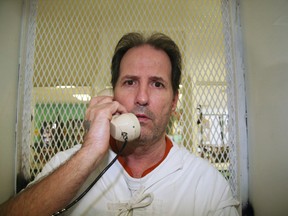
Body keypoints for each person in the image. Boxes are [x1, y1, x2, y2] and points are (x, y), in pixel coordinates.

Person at [0, 32, 239, 215]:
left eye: (157, 84)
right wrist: (89, 154)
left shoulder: (207, 184)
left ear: (174, 101)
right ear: (111, 94)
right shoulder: (66, 165)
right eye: (130, 82)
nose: (142, 97)